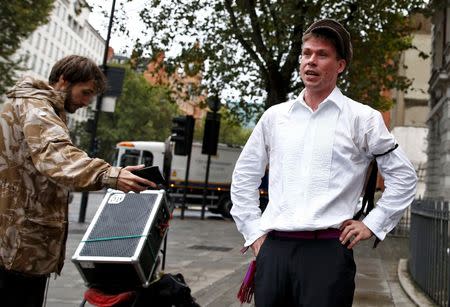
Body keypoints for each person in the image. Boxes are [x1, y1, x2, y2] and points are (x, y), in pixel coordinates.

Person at [230, 19, 417, 307]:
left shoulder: (362, 118)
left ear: (340, 65)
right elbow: (244, 176)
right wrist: (253, 233)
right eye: (306, 53)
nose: (311, 61)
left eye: (322, 55)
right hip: (274, 250)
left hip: (328, 253)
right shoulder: (275, 117)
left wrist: (372, 224)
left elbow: (404, 177)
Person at [0, 55, 156, 307]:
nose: (87, 102)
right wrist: (110, 174)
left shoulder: (35, 106)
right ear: (63, 81)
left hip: (18, 240)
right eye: (85, 93)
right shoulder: (37, 108)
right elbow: (57, 156)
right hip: (19, 244)